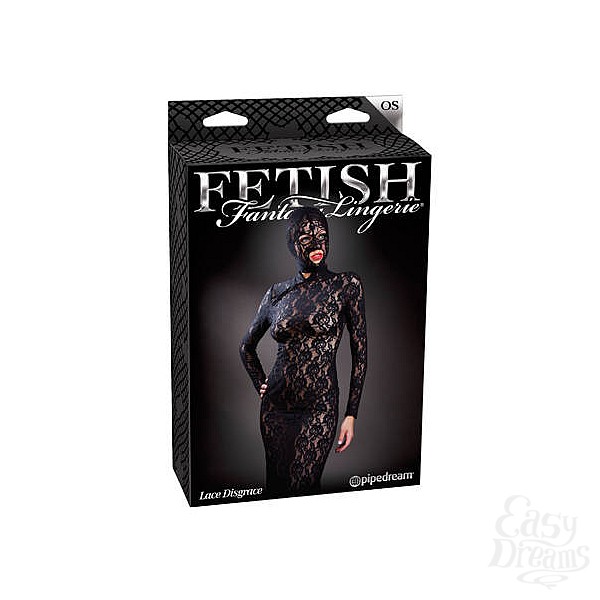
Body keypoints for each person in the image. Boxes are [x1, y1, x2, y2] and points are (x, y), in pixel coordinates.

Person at [239, 206, 367, 497]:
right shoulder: (277, 293)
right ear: (291, 243)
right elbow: (246, 347)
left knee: (304, 488)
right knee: (277, 488)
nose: (317, 244)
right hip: (276, 407)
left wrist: (351, 414)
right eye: (306, 238)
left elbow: (360, 354)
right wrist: (260, 382)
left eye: (322, 236)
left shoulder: (346, 285)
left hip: (319, 407)